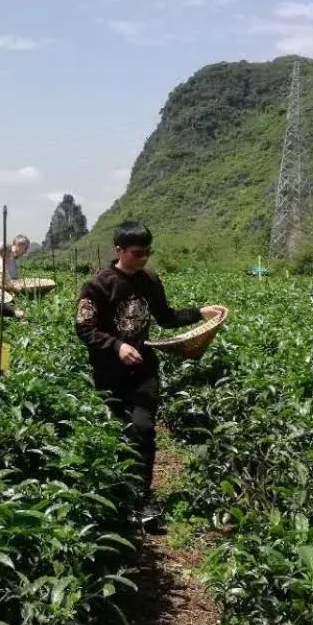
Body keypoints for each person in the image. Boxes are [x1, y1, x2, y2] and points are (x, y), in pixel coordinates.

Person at [74, 221, 205, 533]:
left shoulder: (150, 280)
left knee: (143, 429)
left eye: (148, 252)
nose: (144, 258)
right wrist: (116, 346)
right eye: (137, 253)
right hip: (109, 371)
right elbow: (84, 328)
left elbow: (166, 317)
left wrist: (200, 313)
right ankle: (118, 498)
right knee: (118, 432)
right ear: (118, 250)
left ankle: (141, 498)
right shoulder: (99, 285)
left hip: (144, 368)